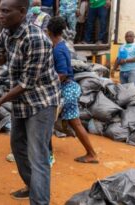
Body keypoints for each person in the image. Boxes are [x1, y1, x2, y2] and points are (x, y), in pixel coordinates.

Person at [0, 0, 60, 204]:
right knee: (17, 146)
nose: (0, 15)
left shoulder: (36, 38)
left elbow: (26, 84)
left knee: (38, 156)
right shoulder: (7, 32)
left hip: (40, 102)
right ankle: (32, 187)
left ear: (22, 12)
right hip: (20, 102)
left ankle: (40, 201)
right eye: (0, 10)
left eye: (5, 11)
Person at [48, 16, 98, 164]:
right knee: (71, 122)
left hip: (67, 88)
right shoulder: (60, 46)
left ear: (49, 31)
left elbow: (62, 73)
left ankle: (92, 154)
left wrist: (48, 84)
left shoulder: (58, 50)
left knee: (75, 123)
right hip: (68, 87)